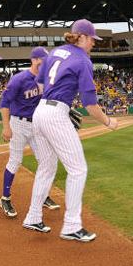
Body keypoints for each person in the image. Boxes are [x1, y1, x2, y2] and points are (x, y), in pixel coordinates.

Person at [22, 19, 118, 242]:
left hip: (40, 111)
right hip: (54, 115)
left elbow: (41, 85)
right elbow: (90, 105)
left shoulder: (55, 52)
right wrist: (108, 122)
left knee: (46, 167)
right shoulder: (83, 60)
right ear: (82, 37)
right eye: (92, 39)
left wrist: (59, 103)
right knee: (78, 169)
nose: (94, 43)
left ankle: (33, 216)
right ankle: (71, 226)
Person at [0, 47, 60, 218]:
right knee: (15, 160)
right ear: (34, 60)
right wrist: (6, 127)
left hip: (37, 125)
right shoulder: (19, 79)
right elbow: (4, 104)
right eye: (42, 60)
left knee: (45, 161)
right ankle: (5, 198)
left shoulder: (47, 80)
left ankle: (43, 195)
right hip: (18, 124)